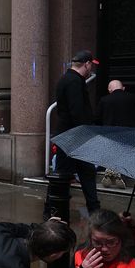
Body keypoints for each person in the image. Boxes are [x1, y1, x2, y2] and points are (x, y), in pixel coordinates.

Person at [53, 51, 100, 213]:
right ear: (87, 64)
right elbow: (77, 111)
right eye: (91, 65)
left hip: (69, 136)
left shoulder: (68, 79)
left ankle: (54, 209)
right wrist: (86, 133)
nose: (91, 69)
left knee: (66, 175)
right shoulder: (74, 81)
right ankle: (92, 209)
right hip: (74, 137)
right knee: (75, 174)